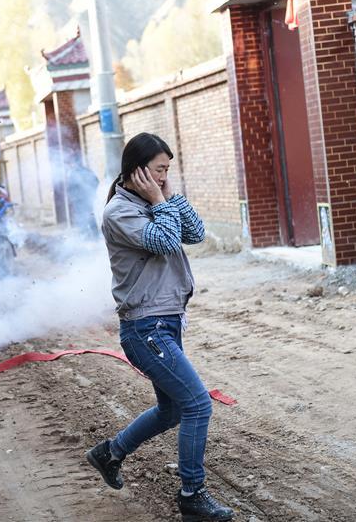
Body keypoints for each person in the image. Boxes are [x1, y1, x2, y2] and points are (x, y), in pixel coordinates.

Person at [85, 133, 233, 521]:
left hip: (165, 322)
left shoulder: (153, 201)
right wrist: (159, 201)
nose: (164, 177)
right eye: (158, 170)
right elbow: (165, 241)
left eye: (167, 170)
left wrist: (167, 196)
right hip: (145, 328)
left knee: (172, 411)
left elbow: (195, 234)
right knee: (197, 405)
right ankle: (192, 495)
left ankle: (109, 453)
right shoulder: (119, 212)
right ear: (136, 171)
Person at [66, 159, 100, 238]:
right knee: (90, 215)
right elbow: (97, 181)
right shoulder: (88, 171)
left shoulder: (73, 173)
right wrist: (92, 193)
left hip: (79, 200)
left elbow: (70, 188)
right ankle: (95, 235)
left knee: (81, 216)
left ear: (74, 163)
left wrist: (72, 197)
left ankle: (84, 235)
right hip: (88, 198)